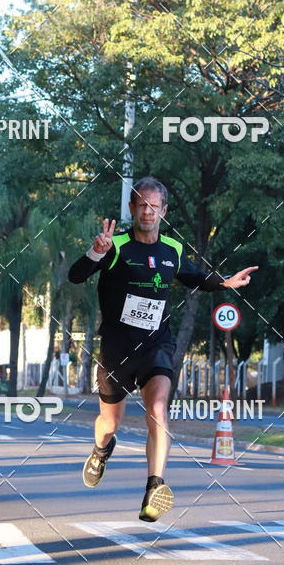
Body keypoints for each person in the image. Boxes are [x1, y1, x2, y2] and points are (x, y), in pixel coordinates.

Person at [68, 177, 258, 522]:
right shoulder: (116, 244)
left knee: (157, 408)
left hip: (157, 343)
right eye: (142, 205)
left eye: (154, 206)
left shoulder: (172, 248)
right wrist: (95, 252)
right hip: (116, 348)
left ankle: (154, 487)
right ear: (132, 208)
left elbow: (191, 276)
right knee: (110, 423)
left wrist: (224, 281)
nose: (147, 211)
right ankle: (100, 450)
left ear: (164, 211)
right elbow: (76, 276)